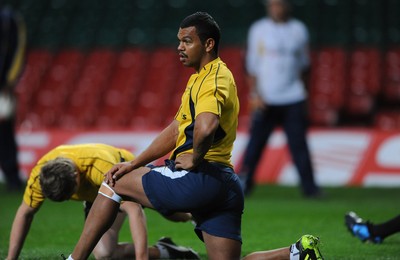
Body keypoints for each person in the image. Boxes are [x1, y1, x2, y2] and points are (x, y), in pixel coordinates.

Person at [65, 12, 323, 260]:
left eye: (187, 41)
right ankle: (297, 252)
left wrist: (195, 157)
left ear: (208, 44)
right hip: (225, 185)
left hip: (198, 179)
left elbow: (207, 125)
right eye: (179, 40)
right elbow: (176, 130)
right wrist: (135, 163)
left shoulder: (213, 78)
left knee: (113, 180)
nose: (180, 47)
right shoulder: (200, 79)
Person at [7, 143, 199, 260]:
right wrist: (10, 258)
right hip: (98, 196)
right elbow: (25, 213)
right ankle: (167, 251)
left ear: (76, 177)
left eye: (71, 194)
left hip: (131, 178)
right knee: (106, 254)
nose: (69, 200)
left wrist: (142, 258)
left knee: (173, 212)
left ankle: (197, 216)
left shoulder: (101, 168)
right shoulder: (42, 177)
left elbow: (135, 211)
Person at [239, 0, 320, 197]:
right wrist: (255, 96)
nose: (277, 8)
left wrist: (305, 94)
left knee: (299, 146)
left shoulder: (299, 29)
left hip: (293, 96)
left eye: (280, 4)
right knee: (255, 145)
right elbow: (251, 67)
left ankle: (310, 188)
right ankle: (242, 185)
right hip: (266, 98)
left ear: (288, 6)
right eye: (273, 5)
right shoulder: (258, 29)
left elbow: (304, 66)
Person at [0, 6, 25, 191]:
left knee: (4, 133)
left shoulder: (8, 19)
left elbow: (18, 48)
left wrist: (9, 80)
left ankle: (12, 178)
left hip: (2, 87)